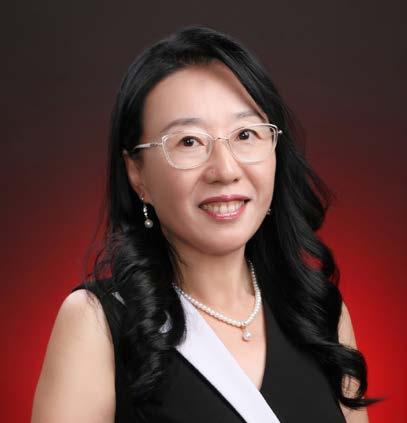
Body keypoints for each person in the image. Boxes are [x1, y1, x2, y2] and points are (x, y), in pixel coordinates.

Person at [31, 25, 379, 422]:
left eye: (245, 134)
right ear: (136, 173)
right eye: (189, 142)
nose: (225, 170)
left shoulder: (319, 312)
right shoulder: (96, 323)